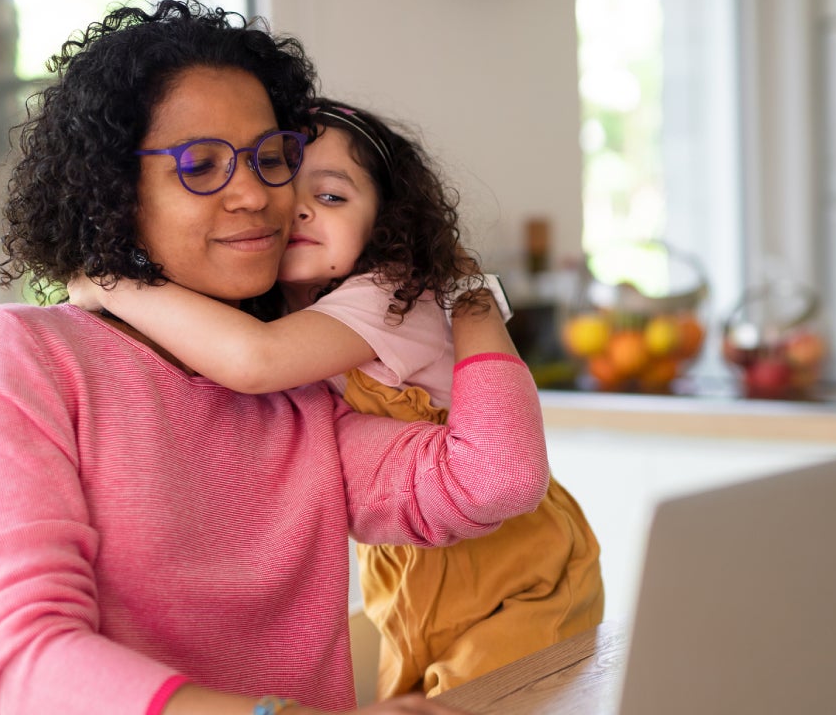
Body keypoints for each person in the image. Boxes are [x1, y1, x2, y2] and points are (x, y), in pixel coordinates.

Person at [0, 0, 550, 715]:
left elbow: (495, 479)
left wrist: (467, 290)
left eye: (269, 159)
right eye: (201, 165)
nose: (255, 194)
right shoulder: (20, 357)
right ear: (114, 192)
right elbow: (25, 662)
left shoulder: (301, 390)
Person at [69, 98, 605, 698]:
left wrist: (111, 282)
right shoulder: (304, 314)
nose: (296, 208)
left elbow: (255, 361)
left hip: (518, 573)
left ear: (384, 225)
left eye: (331, 197)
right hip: (413, 573)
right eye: (283, 186)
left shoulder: (390, 294)